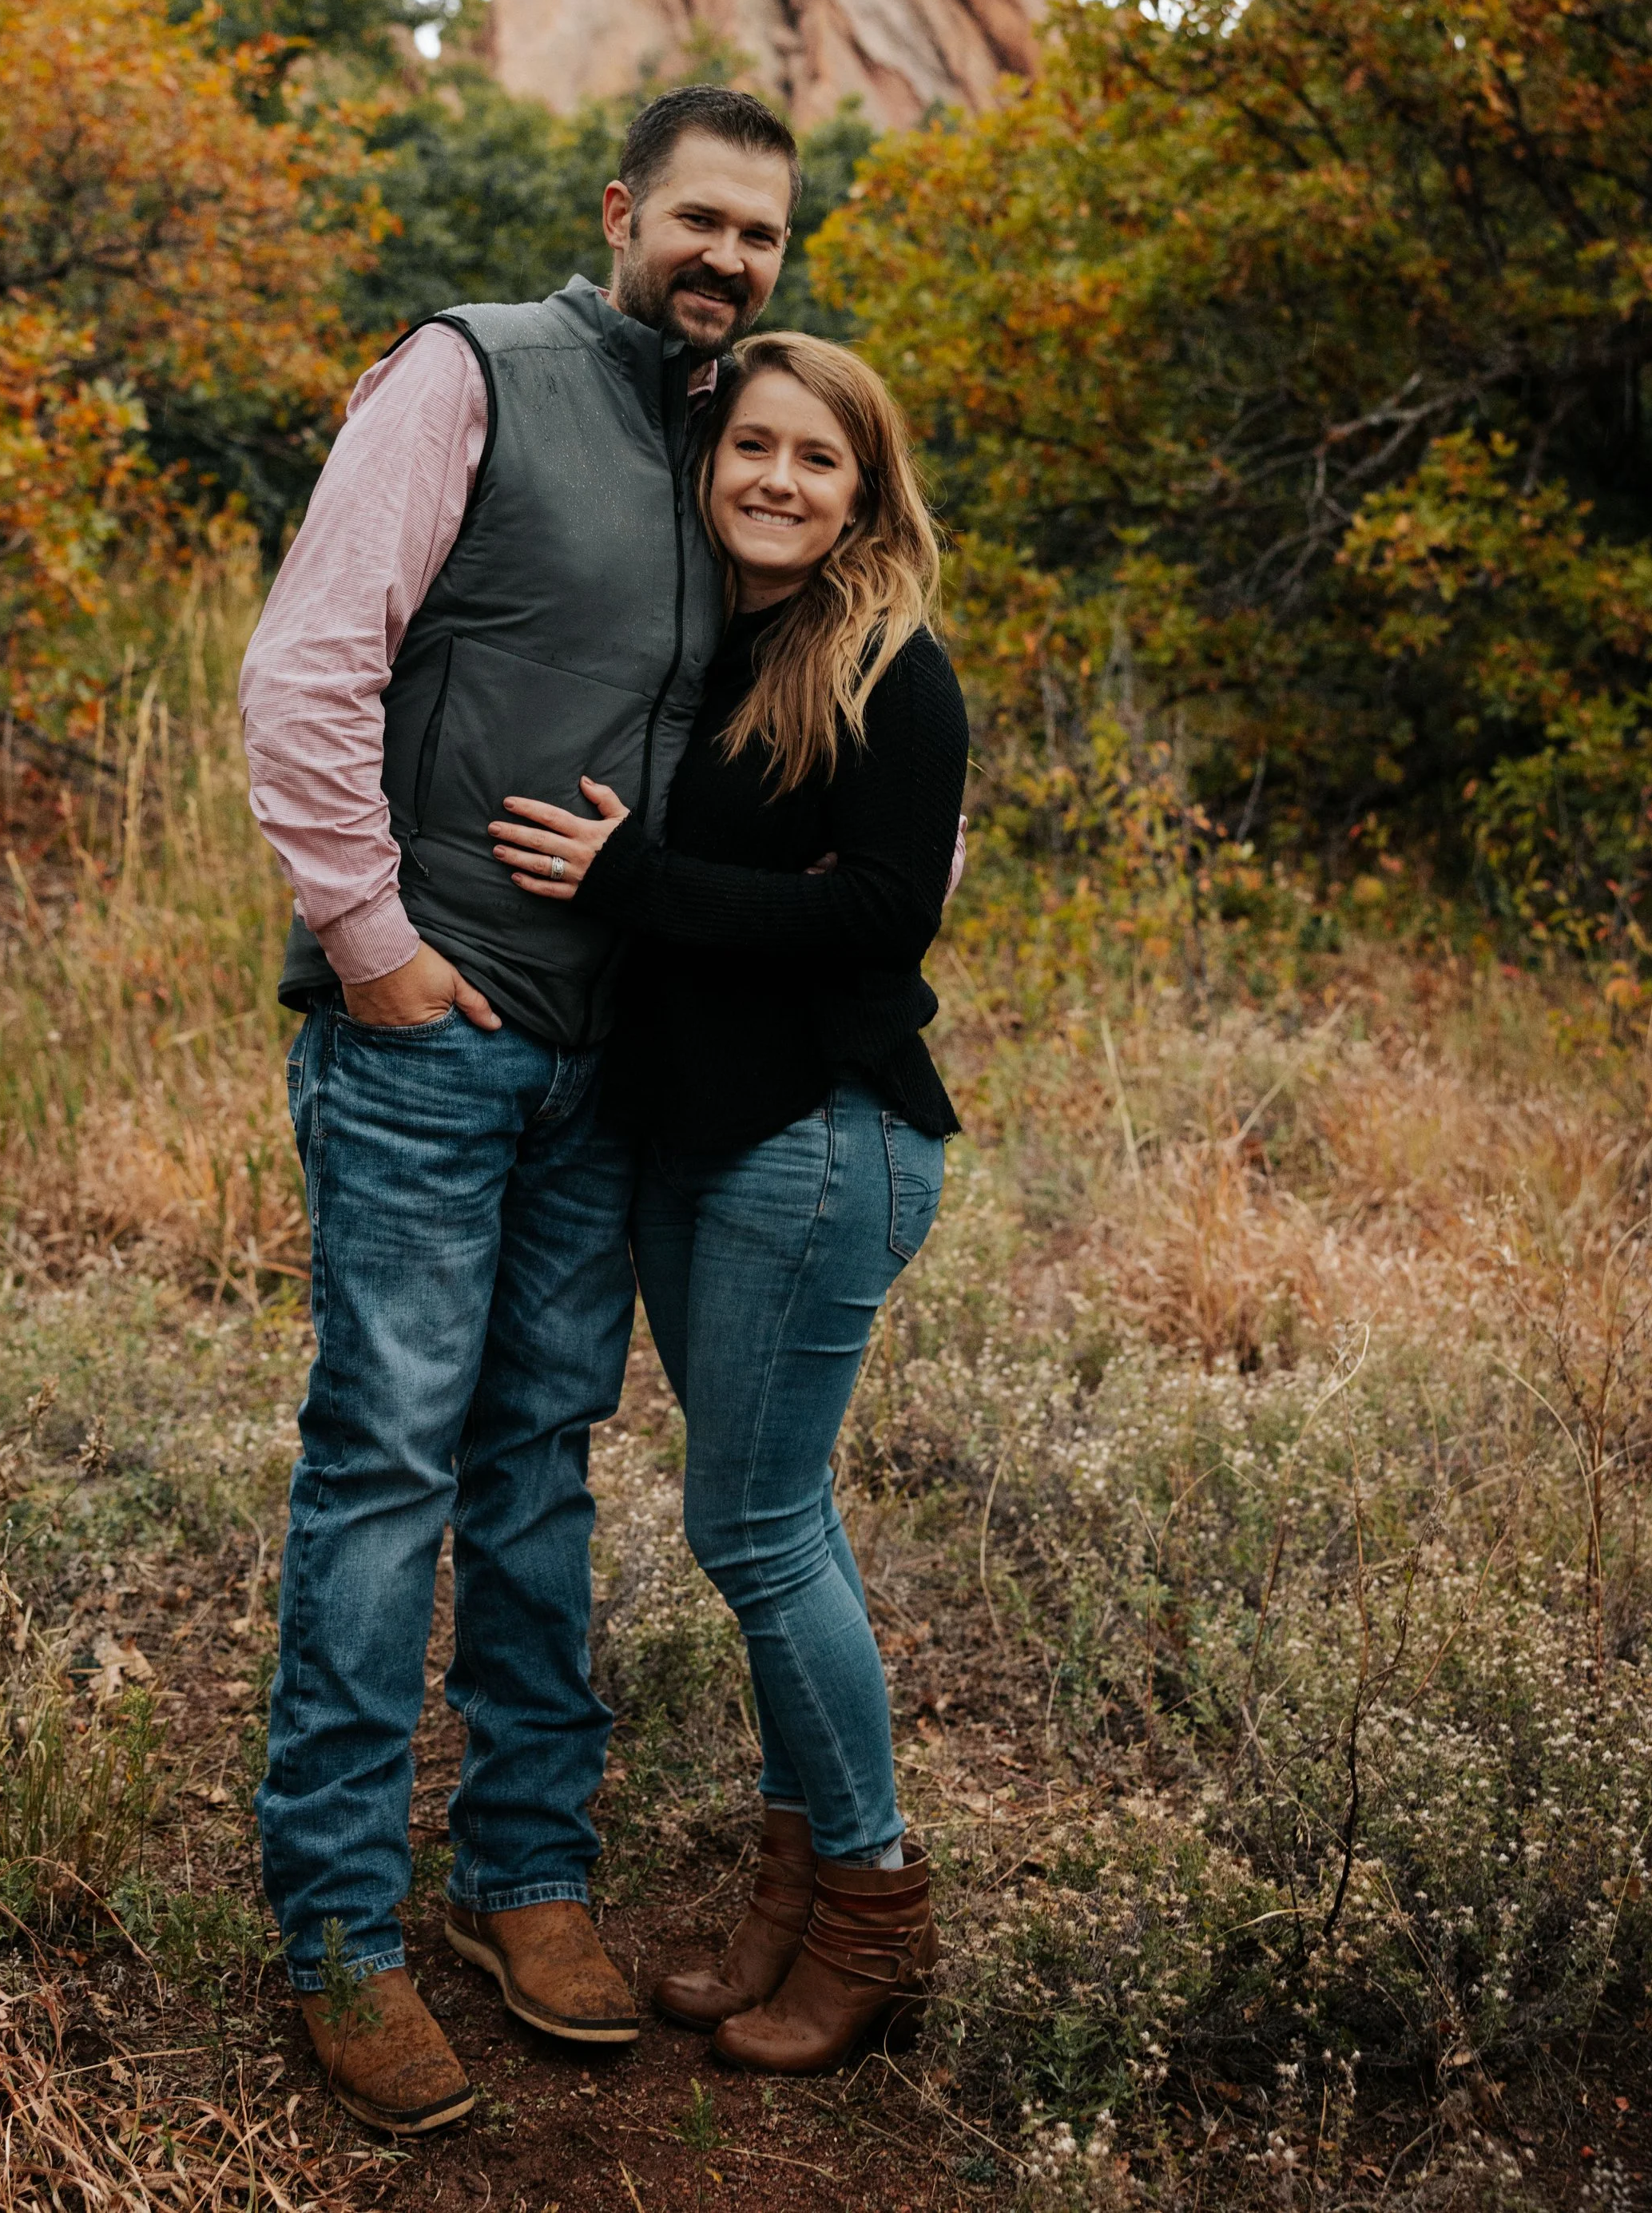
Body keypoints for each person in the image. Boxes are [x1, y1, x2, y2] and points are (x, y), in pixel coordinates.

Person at [236, 84, 798, 2136]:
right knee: (385, 1458)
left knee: (540, 1462)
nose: (728, 258)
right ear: (621, 206)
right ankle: (336, 1932)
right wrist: (371, 941)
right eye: (702, 217)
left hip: (598, 1057)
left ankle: (524, 1876)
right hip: (429, 1027)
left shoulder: (727, 438)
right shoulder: (471, 368)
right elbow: (306, 664)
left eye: (763, 235)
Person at [489, 330, 968, 2078]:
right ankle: (787, 1900)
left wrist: (639, 878)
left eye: (814, 457)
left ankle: (871, 1910)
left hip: (821, 1135)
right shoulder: (723, 643)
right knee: (780, 1523)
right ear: (710, 468)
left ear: (865, 487)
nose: (774, 477)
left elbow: (877, 919)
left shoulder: (887, 665)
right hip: (701, 1141)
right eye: (747, 446)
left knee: (755, 1531)